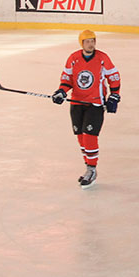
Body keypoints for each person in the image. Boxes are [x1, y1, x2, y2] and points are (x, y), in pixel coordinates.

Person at [51, 30, 121, 189]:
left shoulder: (102, 58)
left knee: (89, 136)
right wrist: (61, 91)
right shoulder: (73, 58)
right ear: (81, 43)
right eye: (87, 41)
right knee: (80, 136)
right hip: (76, 102)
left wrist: (114, 95)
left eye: (93, 41)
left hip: (95, 104)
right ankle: (88, 165)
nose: (91, 44)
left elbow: (114, 77)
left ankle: (91, 169)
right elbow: (67, 78)